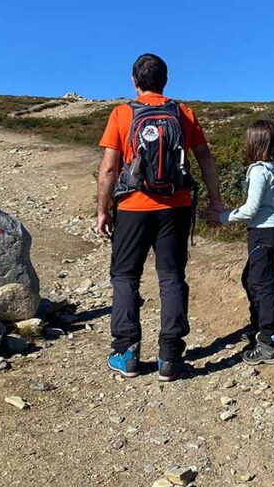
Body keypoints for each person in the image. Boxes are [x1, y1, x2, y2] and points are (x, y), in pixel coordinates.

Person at [96, 53, 223, 381]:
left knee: (125, 277)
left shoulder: (122, 114)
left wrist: (102, 210)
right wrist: (215, 201)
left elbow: (109, 168)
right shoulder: (183, 112)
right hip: (175, 207)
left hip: (132, 208)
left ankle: (127, 353)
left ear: (134, 81)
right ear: (165, 80)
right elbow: (205, 158)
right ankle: (170, 357)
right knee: (171, 277)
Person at [207, 119, 274, 365]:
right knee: (251, 279)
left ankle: (268, 342)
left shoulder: (259, 171)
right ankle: (260, 325)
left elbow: (251, 209)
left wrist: (221, 218)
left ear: (254, 142)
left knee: (262, 284)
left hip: (263, 231)